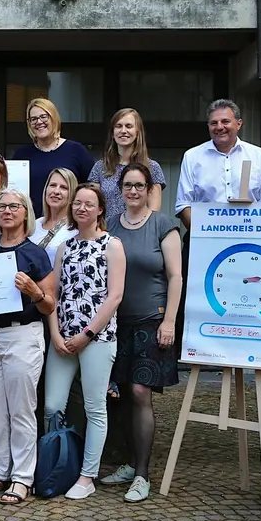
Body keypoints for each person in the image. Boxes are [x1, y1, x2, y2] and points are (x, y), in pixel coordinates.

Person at [0, 189, 57, 504]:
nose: (7, 211)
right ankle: (0, 470)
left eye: (14, 206)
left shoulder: (35, 253)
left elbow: (48, 306)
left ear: (25, 213)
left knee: (21, 409)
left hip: (22, 334)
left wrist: (33, 291)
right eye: (2, 206)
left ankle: (22, 478)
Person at [105, 163, 184, 502]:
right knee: (120, 393)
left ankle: (142, 474)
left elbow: (176, 277)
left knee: (140, 391)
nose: (133, 191)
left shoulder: (164, 225)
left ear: (150, 188)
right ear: (120, 190)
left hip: (152, 319)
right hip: (115, 322)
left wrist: (170, 321)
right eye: (128, 186)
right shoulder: (109, 226)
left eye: (139, 185)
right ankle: (127, 462)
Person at [43, 183, 126, 500]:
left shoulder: (112, 245)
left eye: (88, 204)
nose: (81, 208)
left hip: (97, 338)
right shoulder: (65, 246)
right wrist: (54, 331)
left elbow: (115, 295)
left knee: (95, 408)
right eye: (76, 203)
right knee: (52, 405)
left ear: (100, 209)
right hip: (62, 338)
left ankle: (87, 475)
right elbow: (54, 293)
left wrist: (87, 333)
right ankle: (54, 463)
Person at [174, 98, 261, 230]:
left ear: (239, 124)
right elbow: (183, 204)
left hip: (249, 237)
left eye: (225, 121)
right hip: (203, 238)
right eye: (213, 123)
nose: (219, 127)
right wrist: (201, 233)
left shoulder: (258, 155)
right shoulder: (192, 156)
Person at [11, 98, 94, 219]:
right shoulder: (21, 155)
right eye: (33, 119)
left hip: (68, 225)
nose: (39, 122)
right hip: (29, 225)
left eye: (44, 117)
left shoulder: (76, 151)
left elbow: (91, 188)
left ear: (53, 118)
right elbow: (12, 191)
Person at [90, 108, 167, 220]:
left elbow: (153, 213)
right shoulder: (100, 167)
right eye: (119, 126)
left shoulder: (152, 167)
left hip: (139, 233)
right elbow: (93, 206)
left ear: (137, 132)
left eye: (129, 126)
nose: (123, 130)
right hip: (106, 232)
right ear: (112, 133)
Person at [31, 168, 78, 266]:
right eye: (52, 185)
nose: (56, 191)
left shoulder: (75, 230)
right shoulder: (33, 225)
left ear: (72, 194)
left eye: (63, 187)